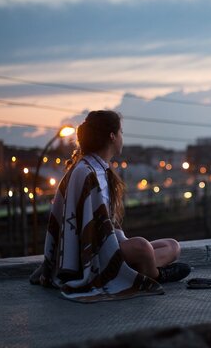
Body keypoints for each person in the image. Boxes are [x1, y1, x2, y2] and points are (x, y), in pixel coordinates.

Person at [30, 110, 190, 302]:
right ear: (112, 136)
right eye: (121, 132)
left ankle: (137, 270)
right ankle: (155, 276)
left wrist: (119, 242)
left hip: (110, 244)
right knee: (142, 247)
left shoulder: (100, 169)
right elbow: (86, 231)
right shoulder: (85, 171)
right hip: (90, 254)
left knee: (172, 246)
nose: (122, 137)